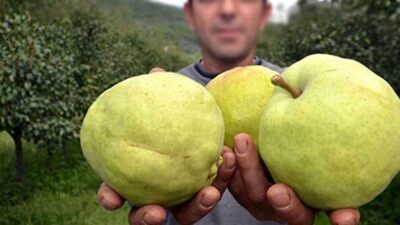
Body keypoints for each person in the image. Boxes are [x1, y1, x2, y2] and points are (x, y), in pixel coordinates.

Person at [97, 1, 361, 225]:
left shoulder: (298, 95)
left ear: (264, 14)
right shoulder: (156, 99)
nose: (227, 9)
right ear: (189, 14)